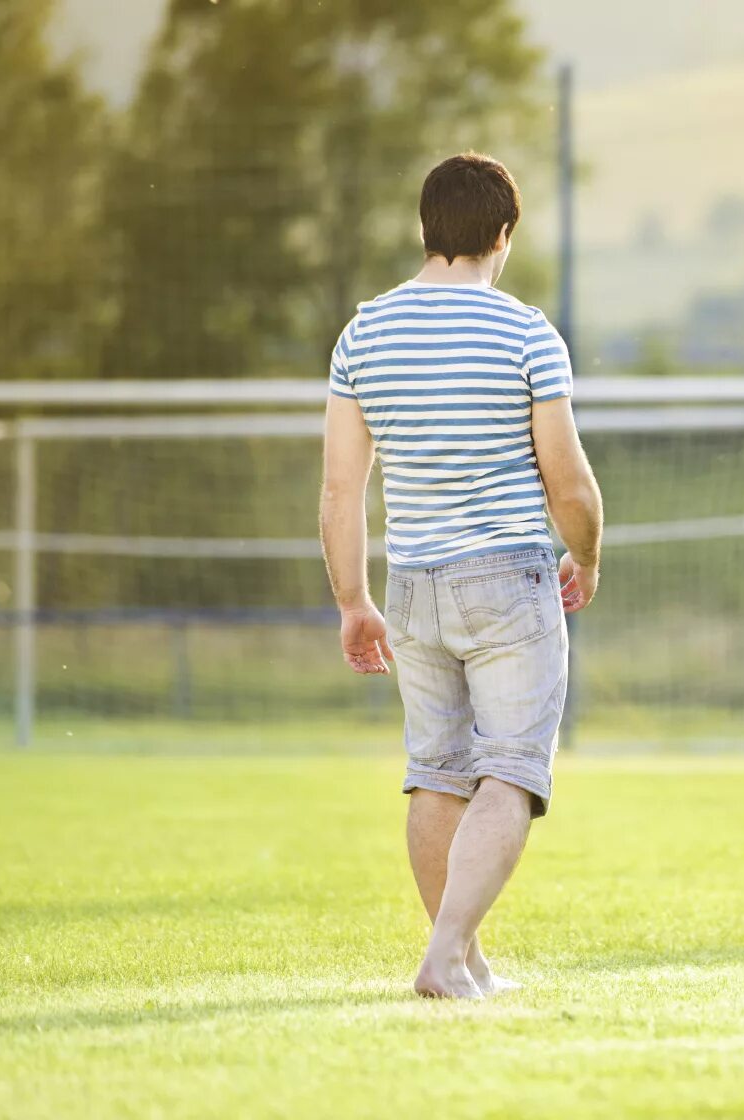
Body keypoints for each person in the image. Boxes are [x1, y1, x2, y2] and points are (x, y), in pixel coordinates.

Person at [319, 152, 603, 998]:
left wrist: (352, 602)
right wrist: (585, 554)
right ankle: (445, 958)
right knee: (511, 771)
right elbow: (569, 479)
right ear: (503, 234)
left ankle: (465, 958)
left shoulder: (363, 332)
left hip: (412, 584)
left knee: (436, 772)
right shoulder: (524, 332)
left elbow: (341, 487)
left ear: (425, 228)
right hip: (507, 579)